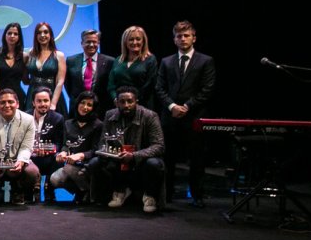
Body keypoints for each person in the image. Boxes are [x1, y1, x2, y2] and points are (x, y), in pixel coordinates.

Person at [155, 21, 216, 207]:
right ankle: (167, 194)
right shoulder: (166, 61)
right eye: (179, 36)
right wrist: (172, 106)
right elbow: (159, 88)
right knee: (168, 158)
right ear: (174, 40)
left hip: (194, 117)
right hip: (170, 116)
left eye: (186, 35)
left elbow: (207, 89)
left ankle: (197, 195)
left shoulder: (206, 61)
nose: (183, 39)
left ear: (194, 38)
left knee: (196, 158)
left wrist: (187, 106)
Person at [92, 85, 165, 213]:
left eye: (130, 101)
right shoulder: (110, 115)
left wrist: (134, 155)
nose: (126, 105)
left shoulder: (150, 116)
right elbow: (103, 142)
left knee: (154, 163)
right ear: (116, 103)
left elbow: (159, 146)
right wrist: (112, 154)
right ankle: (118, 191)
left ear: (136, 102)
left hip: (141, 161)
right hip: (118, 160)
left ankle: (150, 196)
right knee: (95, 163)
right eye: (122, 102)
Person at [0, 89, 39, 206]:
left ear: (17, 104)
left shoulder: (28, 120)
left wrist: (21, 161)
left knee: (32, 171)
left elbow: (26, 147)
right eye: (2, 102)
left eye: (10, 102)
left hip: (16, 160)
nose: (7, 105)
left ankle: (19, 190)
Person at [50, 91, 102, 203]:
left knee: (69, 168)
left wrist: (81, 155)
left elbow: (97, 150)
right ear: (77, 103)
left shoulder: (98, 125)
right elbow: (65, 144)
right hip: (71, 164)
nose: (85, 107)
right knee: (55, 179)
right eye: (82, 103)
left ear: (94, 108)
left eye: (89, 105)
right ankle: (82, 191)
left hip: (88, 165)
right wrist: (63, 152)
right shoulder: (68, 123)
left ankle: (89, 191)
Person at [65, 29, 115, 117]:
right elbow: (68, 85)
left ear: (98, 43)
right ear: (82, 43)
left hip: (101, 110)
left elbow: (110, 85)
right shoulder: (71, 61)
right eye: (88, 42)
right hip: (77, 110)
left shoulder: (109, 61)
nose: (91, 45)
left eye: (94, 42)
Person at [107, 26, 158, 109]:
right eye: (131, 39)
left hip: (142, 106)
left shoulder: (150, 59)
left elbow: (149, 85)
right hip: (120, 106)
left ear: (143, 41)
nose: (134, 42)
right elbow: (111, 85)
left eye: (138, 39)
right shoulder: (118, 60)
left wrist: (132, 101)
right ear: (125, 42)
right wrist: (116, 99)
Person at [30, 87, 65, 202]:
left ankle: (49, 188)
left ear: (50, 102)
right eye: (39, 101)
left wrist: (49, 150)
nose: (43, 104)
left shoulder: (58, 118)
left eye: (46, 101)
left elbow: (59, 143)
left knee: (58, 158)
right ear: (33, 102)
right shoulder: (24, 117)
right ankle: (29, 190)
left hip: (48, 156)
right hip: (28, 156)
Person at [24, 22, 66, 113]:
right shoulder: (29, 54)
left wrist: (53, 103)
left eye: (46, 32)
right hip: (32, 95)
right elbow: (25, 78)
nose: (42, 35)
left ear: (50, 35)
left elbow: (60, 81)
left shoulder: (59, 55)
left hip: (52, 95)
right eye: (39, 33)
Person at [0, 22, 27, 97]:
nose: (12, 36)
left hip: (18, 97)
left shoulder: (24, 56)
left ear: (19, 37)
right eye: (9, 33)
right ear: (5, 35)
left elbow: (25, 79)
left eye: (15, 34)